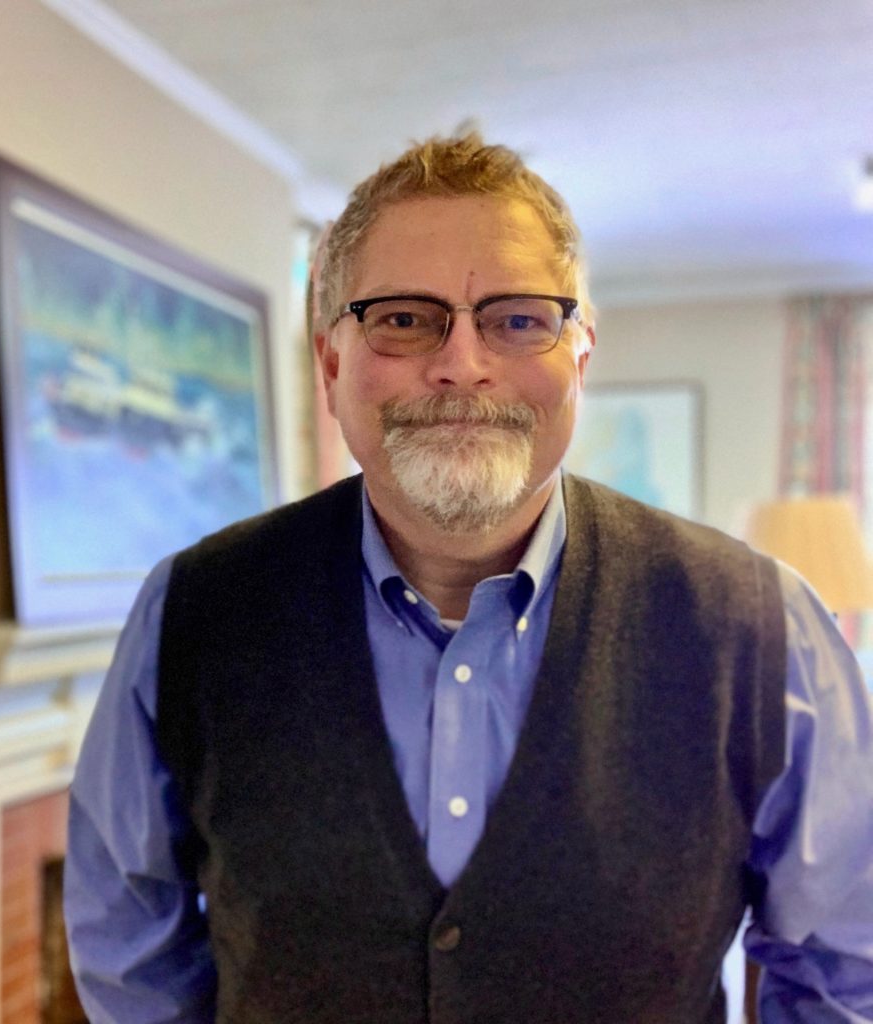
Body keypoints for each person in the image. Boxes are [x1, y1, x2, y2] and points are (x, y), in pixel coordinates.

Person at [63, 131, 873, 1023]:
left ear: (580, 356)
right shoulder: (192, 613)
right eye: (404, 319)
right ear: (331, 364)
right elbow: (129, 947)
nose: (461, 363)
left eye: (517, 320)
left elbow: (847, 969)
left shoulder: (758, 627)